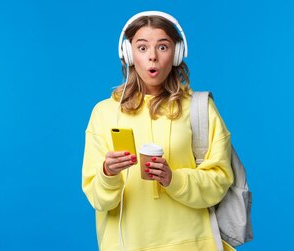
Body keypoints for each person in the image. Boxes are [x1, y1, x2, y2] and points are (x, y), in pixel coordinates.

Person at [81, 11, 235, 251]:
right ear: (129, 54)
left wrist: (173, 178)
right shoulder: (104, 113)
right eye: (142, 48)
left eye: (162, 47)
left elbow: (220, 181)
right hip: (127, 244)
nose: (152, 56)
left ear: (177, 53)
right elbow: (99, 200)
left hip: (193, 244)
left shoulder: (200, 108)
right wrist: (107, 173)